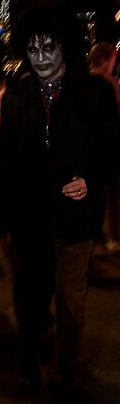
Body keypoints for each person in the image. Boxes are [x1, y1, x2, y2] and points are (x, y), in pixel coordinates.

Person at [0, 9, 120, 399]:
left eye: (49, 47)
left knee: (70, 305)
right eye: (33, 48)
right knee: (30, 300)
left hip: (75, 221)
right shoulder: (16, 98)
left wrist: (92, 179)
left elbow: (112, 152)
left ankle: (67, 372)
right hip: (30, 220)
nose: (41, 56)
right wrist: (4, 223)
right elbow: (8, 165)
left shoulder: (95, 93)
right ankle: (29, 364)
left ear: (65, 47)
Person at [89, 41, 120, 252]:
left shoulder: (80, 82)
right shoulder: (110, 83)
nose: (113, 64)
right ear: (103, 60)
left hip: (88, 148)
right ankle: (114, 237)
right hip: (110, 147)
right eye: (112, 60)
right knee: (114, 194)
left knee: (91, 193)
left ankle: (93, 237)